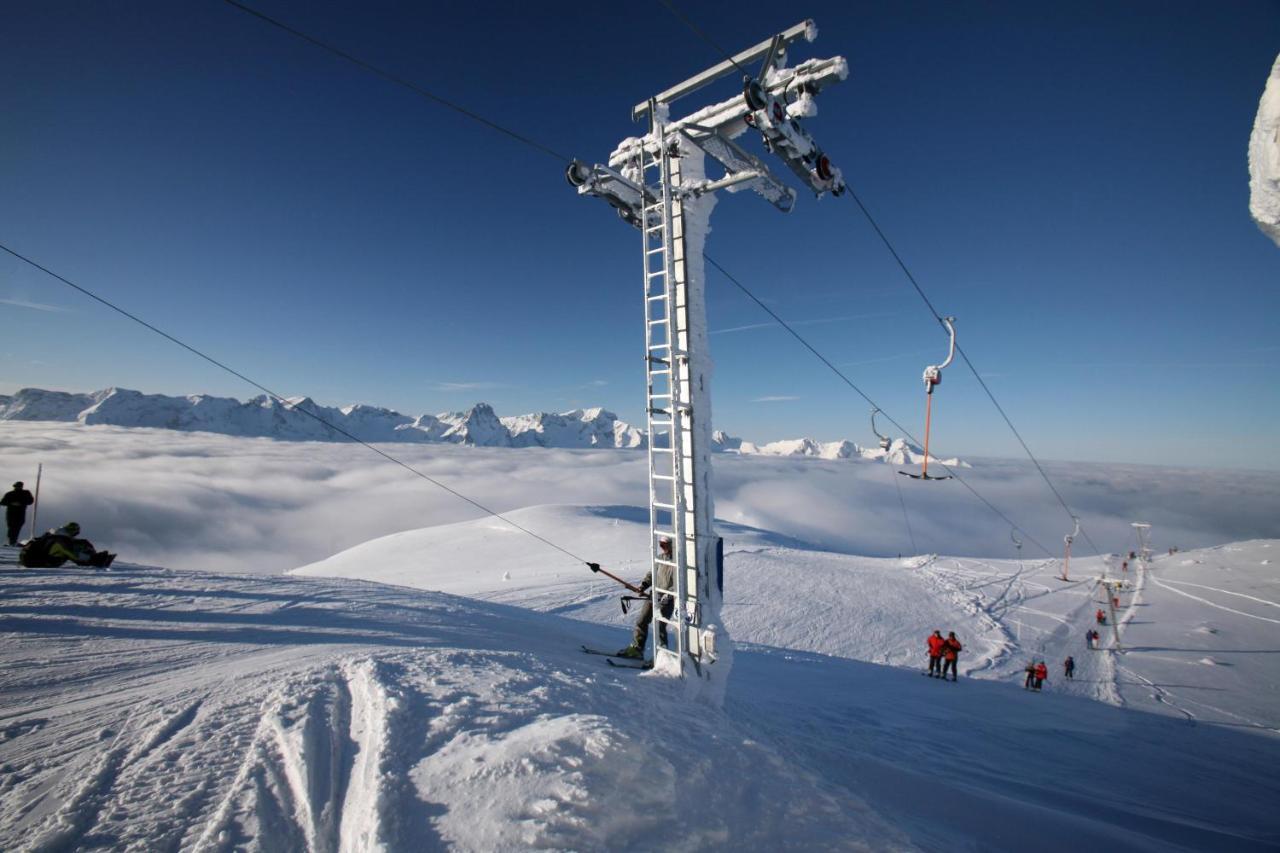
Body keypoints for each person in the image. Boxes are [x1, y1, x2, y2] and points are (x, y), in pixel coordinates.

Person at [616, 537, 675, 659]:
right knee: (641, 621)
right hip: (654, 595)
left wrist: (668, 595)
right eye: (661, 545)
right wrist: (643, 586)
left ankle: (662, 656)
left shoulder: (677, 562)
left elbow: (679, 583)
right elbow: (651, 574)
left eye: (664, 545)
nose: (662, 547)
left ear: (672, 545)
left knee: (660, 625)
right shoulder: (659, 559)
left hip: (668, 599)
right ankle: (637, 649)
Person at [19, 522, 115, 569]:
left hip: (29, 560)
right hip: (40, 562)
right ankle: (95, 559)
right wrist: (92, 560)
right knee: (68, 552)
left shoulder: (51, 536)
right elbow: (73, 556)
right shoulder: (61, 540)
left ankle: (94, 558)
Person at [2, 481, 35, 547]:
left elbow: (30, 501)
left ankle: (12, 541)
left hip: (20, 513)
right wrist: (12, 503)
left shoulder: (26, 493)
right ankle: (11, 541)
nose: (18, 487)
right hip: (11, 513)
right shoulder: (10, 494)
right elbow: (3, 502)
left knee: (17, 527)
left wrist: (21, 503)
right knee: (12, 527)